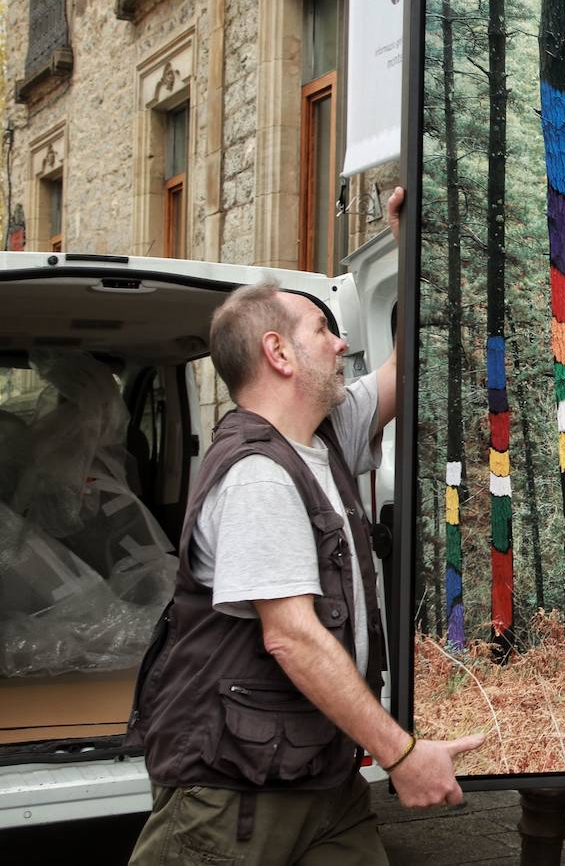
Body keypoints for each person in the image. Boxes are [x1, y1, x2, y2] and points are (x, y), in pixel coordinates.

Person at [128, 188, 482, 865]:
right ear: (279, 353)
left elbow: (404, 369)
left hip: (320, 776)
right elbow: (290, 636)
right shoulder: (257, 474)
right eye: (324, 330)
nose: (342, 341)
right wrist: (401, 753)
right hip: (231, 790)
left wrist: (410, 244)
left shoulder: (322, 437)